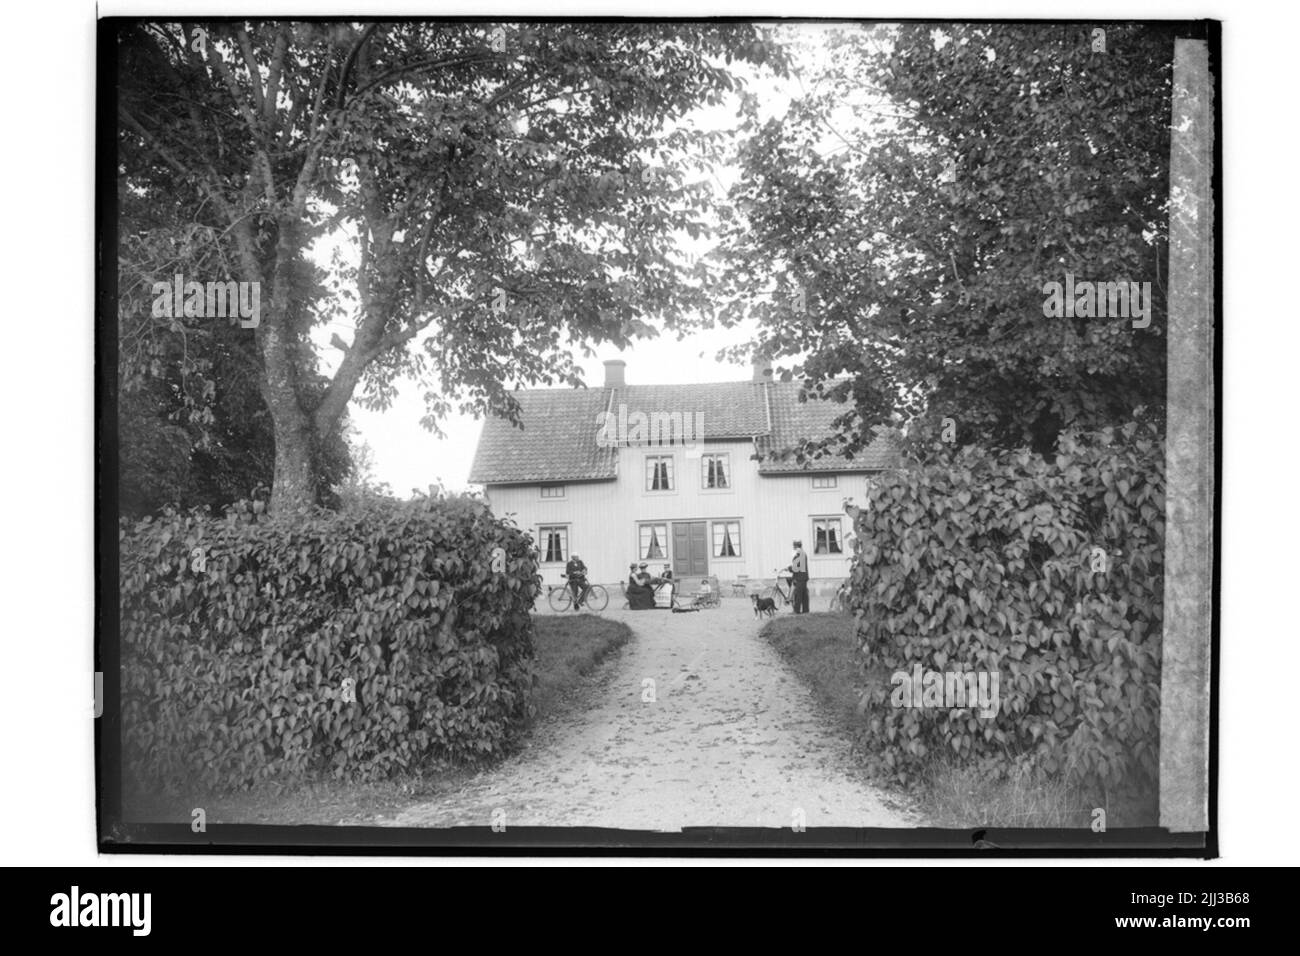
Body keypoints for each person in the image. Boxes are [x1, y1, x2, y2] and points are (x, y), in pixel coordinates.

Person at [787, 540, 809, 614]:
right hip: (803, 577)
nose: (794, 548)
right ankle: (805, 611)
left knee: (798, 595)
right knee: (804, 595)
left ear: (797, 547)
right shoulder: (802, 554)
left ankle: (796, 611)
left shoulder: (800, 554)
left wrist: (789, 568)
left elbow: (796, 568)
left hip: (800, 578)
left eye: (794, 547)